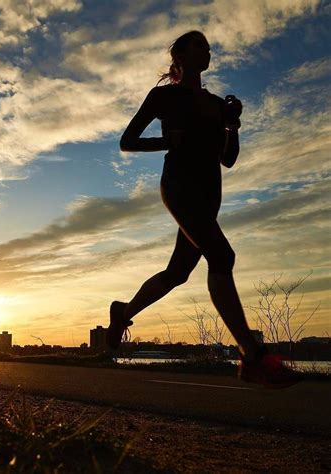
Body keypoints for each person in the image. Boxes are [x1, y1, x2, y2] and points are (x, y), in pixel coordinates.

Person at [107, 30, 302, 389]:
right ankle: (251, 356)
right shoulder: (163, 96)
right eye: (198, 44)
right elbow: (127, 141)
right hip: (179, 187)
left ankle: (123, 312)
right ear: (179, 56)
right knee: (222, 256)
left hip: (211, 194)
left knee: (177, 272)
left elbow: (227, 159)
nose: (207, 50)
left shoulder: (216, 104)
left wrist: (232, 124)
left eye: (209, 47)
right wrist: (166, 141)